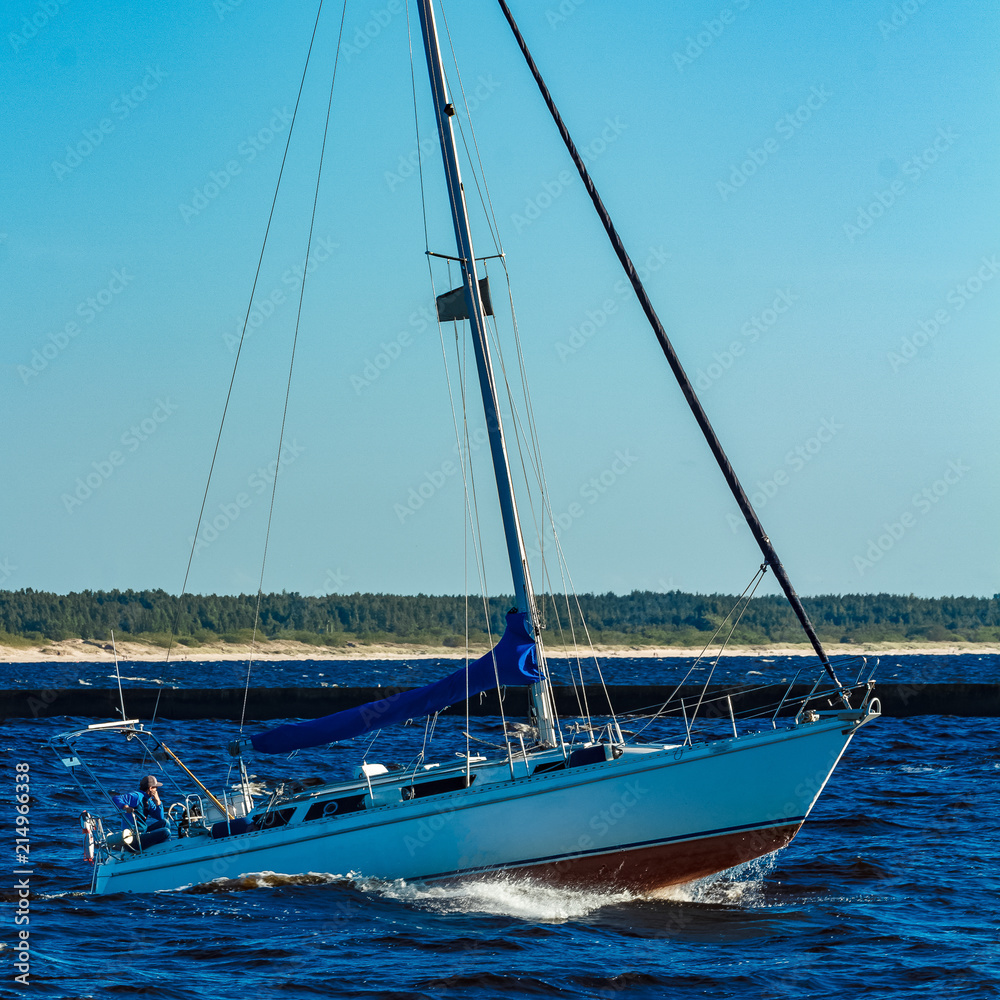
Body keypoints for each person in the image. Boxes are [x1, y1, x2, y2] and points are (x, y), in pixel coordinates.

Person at [112, 775, 171, 846]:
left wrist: (158, 802)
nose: (157, 790)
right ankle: (160, 850)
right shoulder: (136, 796)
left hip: (143, 832)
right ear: (150, 788)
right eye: (156, 788)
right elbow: (116, 798)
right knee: (166, 832)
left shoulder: (148, 801)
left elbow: (160, 817)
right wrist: (125, 807)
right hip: (133, 838)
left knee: (165, 823)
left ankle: (157, 847)